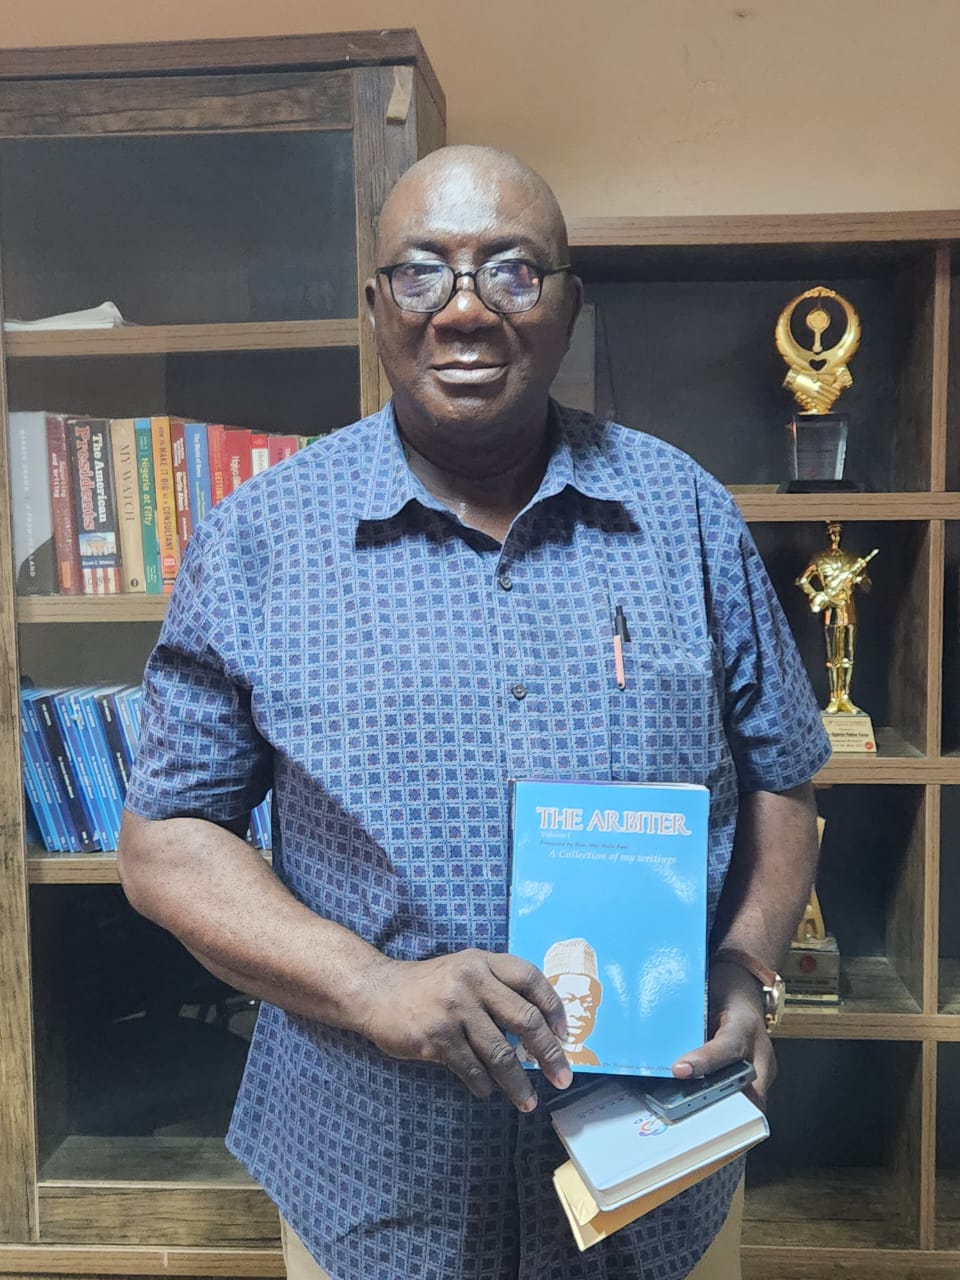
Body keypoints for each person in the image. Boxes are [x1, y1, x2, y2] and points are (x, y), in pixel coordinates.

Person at [118, 144, 830, 1280]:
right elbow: (166, 838)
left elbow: (780, 772)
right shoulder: (259, 539)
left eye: (512, 270)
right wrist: (370, 984)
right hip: (371, 1183)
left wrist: (749, 970)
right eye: (421, 272)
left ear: (569, 306)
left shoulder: (685, 513)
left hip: (656, 1176)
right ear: (375, 306)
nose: (463, 310)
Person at [795, 520, 878, 715]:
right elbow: (802, 580)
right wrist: (816, 595)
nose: (836, 535)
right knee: (833, 657)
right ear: (827, 533)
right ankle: (834, 698)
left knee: (848, 657)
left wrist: (860, 578)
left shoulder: (852, 559)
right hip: (830, 610)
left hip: (848, 610)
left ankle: (845, 697)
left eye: (839, 531)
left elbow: (866, 586)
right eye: (832, 531)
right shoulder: (819, 558)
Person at [543, 938, 602, 1067]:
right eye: (567, 1000)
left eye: (587, 1002)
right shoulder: (529, 1056)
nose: (579, 1012)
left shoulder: (592, 1061)